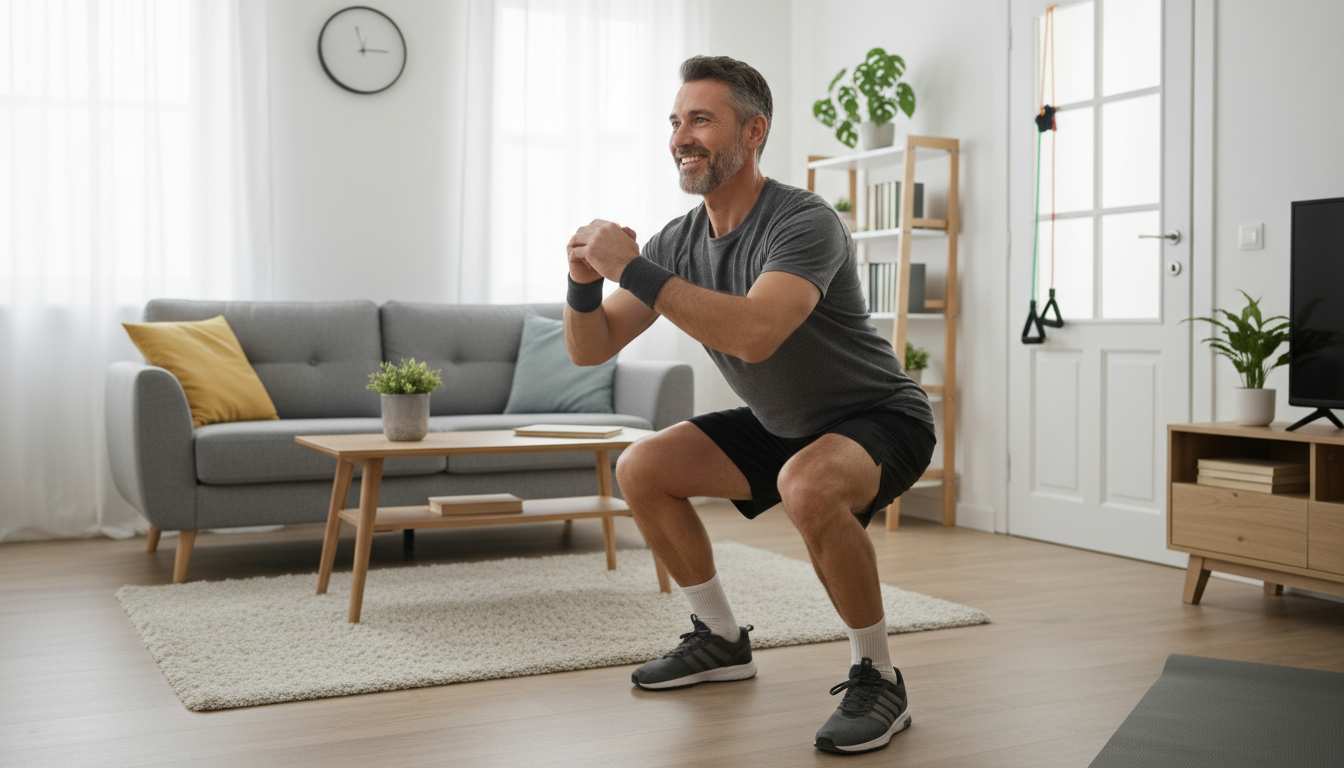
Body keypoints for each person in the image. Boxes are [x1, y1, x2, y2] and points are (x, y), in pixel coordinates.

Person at [563, 54, 935, 755]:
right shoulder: (678, 240)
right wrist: (583, 281)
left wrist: (632, 267)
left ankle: (878, 674)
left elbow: (755, 334)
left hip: (881, 418)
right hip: (784, 425)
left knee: (808, 483)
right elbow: (593, 346)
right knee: (643, 468)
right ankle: (721, 640)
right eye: (675, 121)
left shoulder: (803, 222)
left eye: (701, 119)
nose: (681, 136)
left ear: (753, 131)